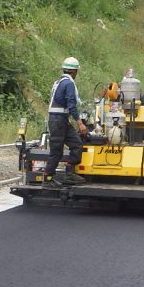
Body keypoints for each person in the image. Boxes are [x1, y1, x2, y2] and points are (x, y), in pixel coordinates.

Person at [42, 57, 88, 189]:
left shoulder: (59, 82)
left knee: (77, 144)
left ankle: (69, 172)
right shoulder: (68, 84)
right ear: (75, 72)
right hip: (58, 120)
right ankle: (48, 179)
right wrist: (80, 123)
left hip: (60, 119)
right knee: (56, 151)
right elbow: (71, 104)